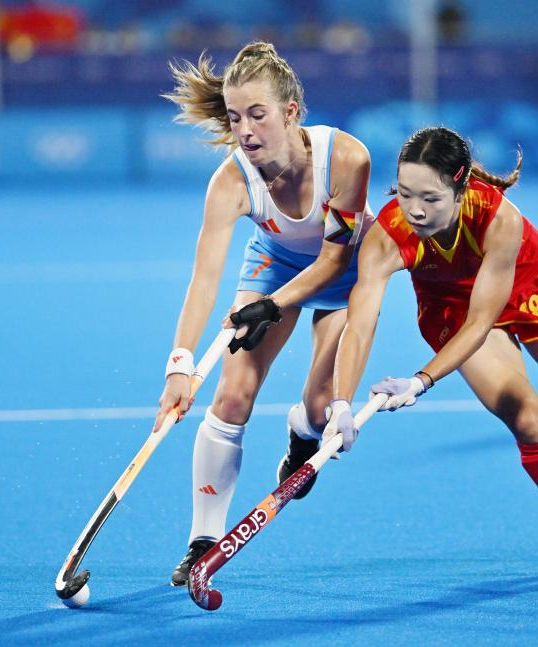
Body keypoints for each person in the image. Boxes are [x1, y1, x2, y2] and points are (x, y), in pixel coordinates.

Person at [322, 126, 538, 578]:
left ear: (460, 190)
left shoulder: (499, 219)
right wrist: (341, 401)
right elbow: (360, 322)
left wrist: (420, 380)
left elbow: (482, 320)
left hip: (531, 283)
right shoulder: (388, 236)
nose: (415, 210)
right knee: (526, 418)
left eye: (431, 198)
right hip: (451, 307)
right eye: (406, 194)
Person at [157, 42, 374, 586]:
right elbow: (205, 278)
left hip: (344, 270)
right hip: (273, 266)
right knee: (232, 395)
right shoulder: (231, 181)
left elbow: (332, 261)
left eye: (258, 115)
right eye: (235, 118)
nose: (245, 131)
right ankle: (202, 541)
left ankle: (302, 429)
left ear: (291, 112)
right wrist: (180, 362)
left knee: (321, 407)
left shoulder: (347, 160)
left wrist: (272, 307)